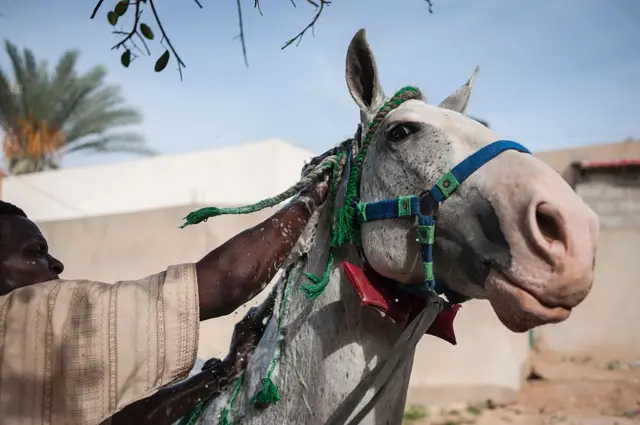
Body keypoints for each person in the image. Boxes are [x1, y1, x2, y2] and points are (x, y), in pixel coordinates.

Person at [0, 179, 328, 425]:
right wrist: (311, 197)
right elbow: (228, 281)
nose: (56, 264)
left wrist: (222, 373)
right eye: (36, 252)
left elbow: (125, 422)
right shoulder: (27, 314)